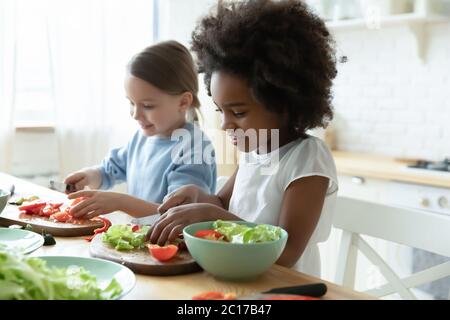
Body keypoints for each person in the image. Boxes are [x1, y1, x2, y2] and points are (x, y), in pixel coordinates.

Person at [147, 0, 338, 277]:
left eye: (238, 112)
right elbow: (223, 205)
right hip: (241, 281)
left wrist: (213, 216)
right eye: (220, 111)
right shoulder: (255, 151)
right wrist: (201, 198)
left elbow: (285, 252)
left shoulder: (307, 158)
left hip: (285, 289)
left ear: (283, 102)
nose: (225, 125)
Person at [65, 40, 217, 224]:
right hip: (140, 243)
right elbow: (109, 171)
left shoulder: (195, 150)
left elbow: (178, 216)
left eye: (147, 106)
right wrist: (88, 176)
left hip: (174, 248)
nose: (135, 114)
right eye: (131, 102)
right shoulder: (142, 138)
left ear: (183, 102)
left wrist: (120, 202)